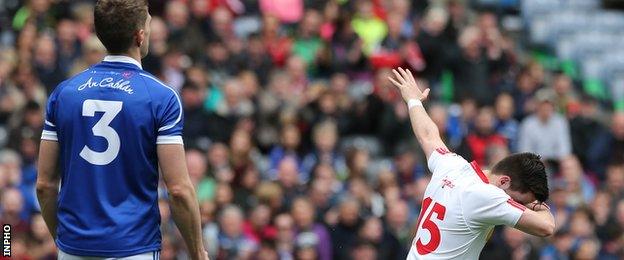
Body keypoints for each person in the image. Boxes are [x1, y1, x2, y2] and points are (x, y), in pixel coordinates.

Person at [36, 1, 207, 259]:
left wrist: (63, 239)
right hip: (133, 247)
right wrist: (197, 253)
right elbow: (179, 190)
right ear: (139, 35)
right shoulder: (160, 97)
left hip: (75, 246)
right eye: (148, 24)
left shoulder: (65, 93)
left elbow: (44, 185)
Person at [387, 67, 555, 259]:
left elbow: (428, 136)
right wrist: (537, 206)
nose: (517, 205)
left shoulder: (452, 164)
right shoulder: (487, 195)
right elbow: (546, 227)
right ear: (505, 181)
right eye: (519, 200)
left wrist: (413, 101)